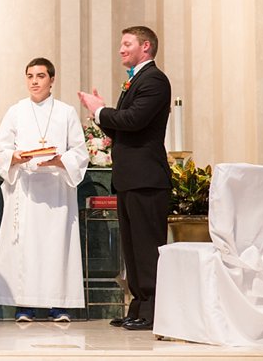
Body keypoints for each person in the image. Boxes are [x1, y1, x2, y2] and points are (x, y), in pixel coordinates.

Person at [78, 26, 172, 331]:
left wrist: (101, 110)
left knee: (146, 247)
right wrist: (101, 114)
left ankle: (154, 309)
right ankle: (138, 306)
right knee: (131, 248)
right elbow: (121, 129)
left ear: (145, 46)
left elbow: (134, 120)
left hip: (147, 178)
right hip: (130, 177)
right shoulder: (134, 81)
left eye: (126, 43)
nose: (121, 49)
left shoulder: (155, 80)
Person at [0, 58, 88, 322]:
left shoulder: (66, 112)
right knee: (27, 247)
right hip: (26, 188)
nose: (35, 81)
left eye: (41, 76)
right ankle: (25, 305)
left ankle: (59, 305)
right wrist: (15, 157)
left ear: (52, 80)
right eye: (30, 76)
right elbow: (0, 149)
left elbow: (80, 151)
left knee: (56, 246)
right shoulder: (16, 111)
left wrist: (60, 161)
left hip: (57, 189)